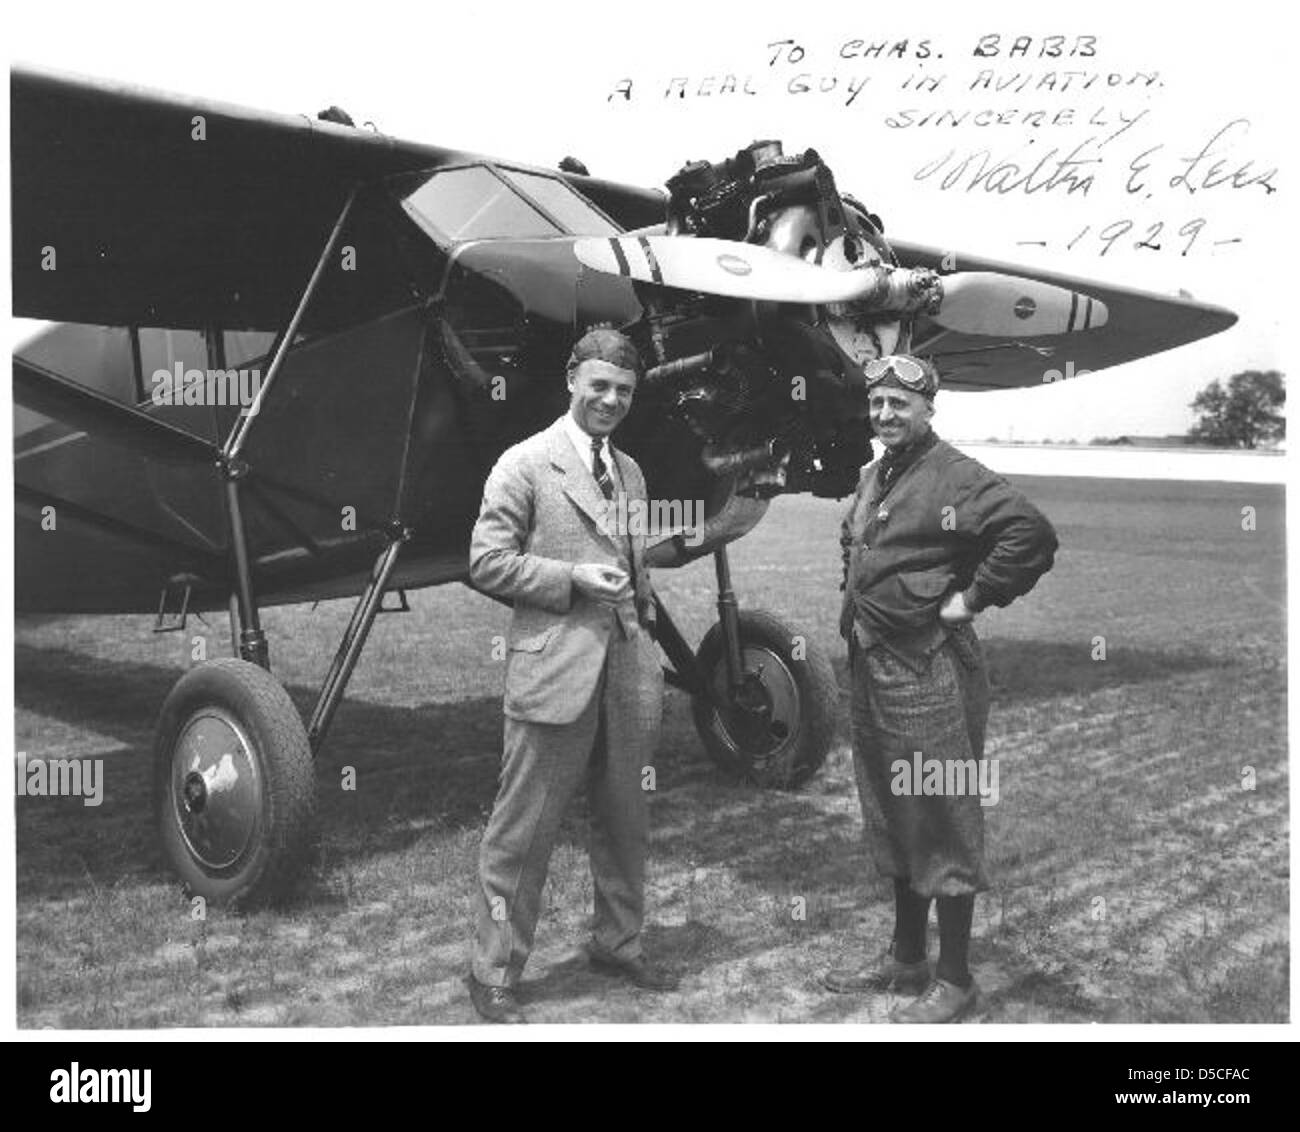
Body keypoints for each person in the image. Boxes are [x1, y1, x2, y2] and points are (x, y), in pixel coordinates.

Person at [822, 354, 1057, 1023]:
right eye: (878, 403)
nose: (887, 414)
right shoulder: (875, 474)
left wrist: (969, 599)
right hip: (873, 662)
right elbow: (857, 547)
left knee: (942, 814)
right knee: (895, 811)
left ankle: (956, 978)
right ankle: (906, 958)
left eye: (901, 404)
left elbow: (1030, 533)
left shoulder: (954, 474)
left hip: (929, 666)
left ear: (929, 409)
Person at [466, 326, 675, 1023]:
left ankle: (619, 943)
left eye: (623, 391)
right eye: (599, 387)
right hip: (553, 668)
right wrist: (571, 577)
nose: (610, 400)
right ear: (571, 382)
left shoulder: (633, 471)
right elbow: (486, 561)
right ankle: (493, 970)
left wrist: (641, 634)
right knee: (523, 830)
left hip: (624, 669)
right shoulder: (524, 464)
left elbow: (637, 570)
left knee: (625, 820)